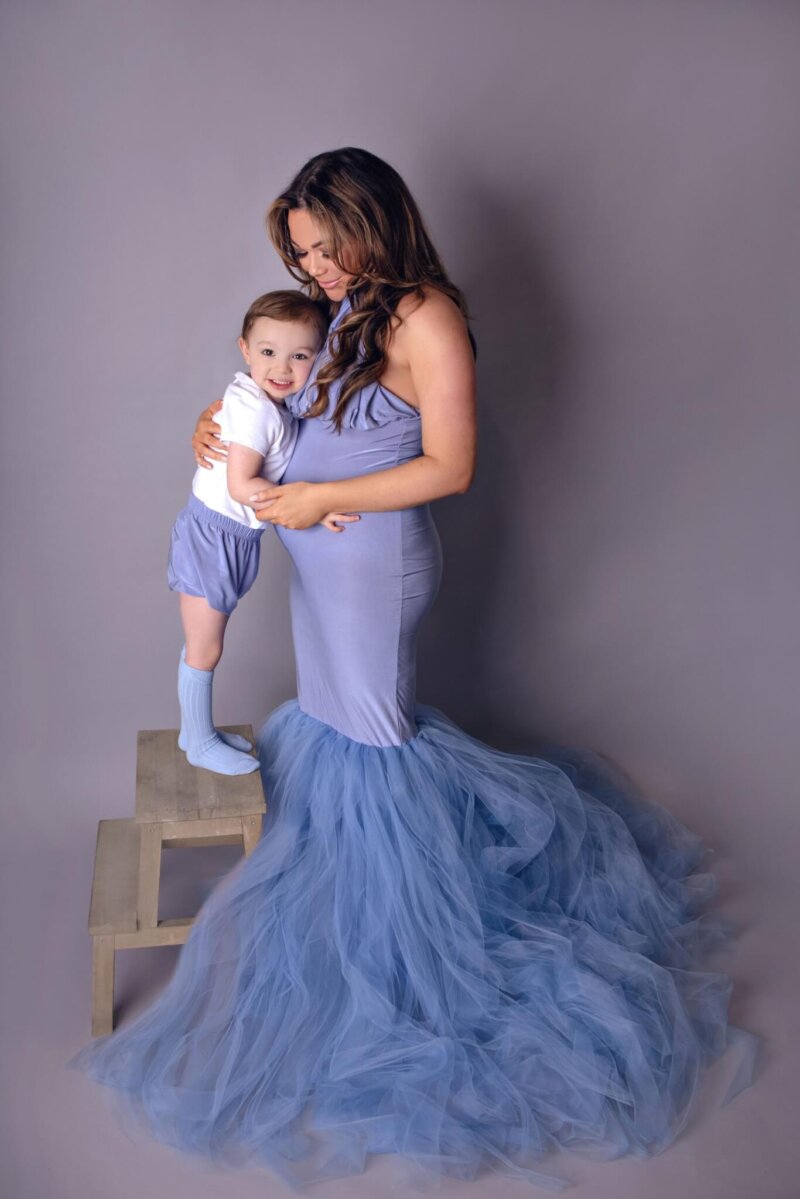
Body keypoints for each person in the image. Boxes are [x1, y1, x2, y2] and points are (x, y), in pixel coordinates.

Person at [68, 148, 755, 1189]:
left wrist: (303, 504)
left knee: (371, 739)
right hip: (318, 556)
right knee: (340, 732)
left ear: (370, 220)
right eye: (299, 255)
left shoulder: (423, 314)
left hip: (370, 565)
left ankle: (406, 962)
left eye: (323, 247)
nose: (315, 269)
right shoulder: (340, 309)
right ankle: (376, 926)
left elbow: (451, 461)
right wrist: (230, 430)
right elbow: (291, 401)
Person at [168, 288, 357, 775]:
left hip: (229, 533)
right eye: (269, 353)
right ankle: (198, 742)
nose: (282, 367)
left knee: (205, 640)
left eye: (300, 356)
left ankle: (195, 729)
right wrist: (312, 510)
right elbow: (242, 483)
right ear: (245, 349)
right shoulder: (255, 408)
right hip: (215, 535)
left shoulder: (271, 403)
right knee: (205, 645)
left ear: (318, 359)